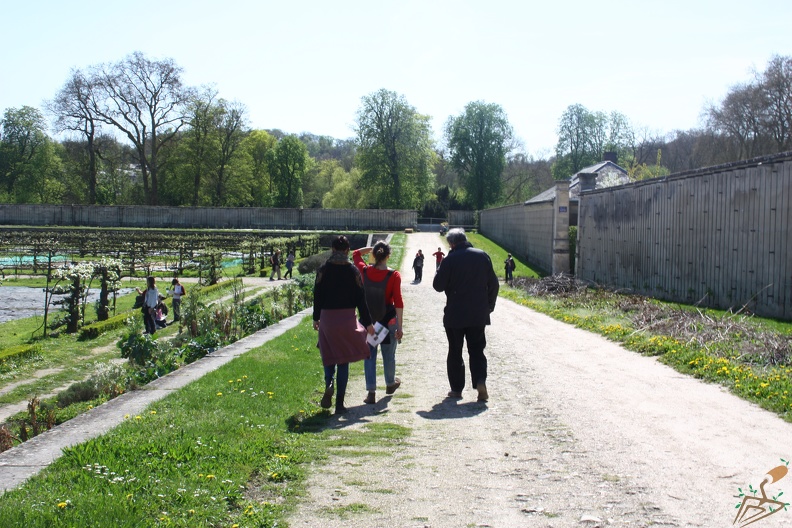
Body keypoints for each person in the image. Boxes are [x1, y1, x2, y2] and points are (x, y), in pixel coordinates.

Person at [433, 228, 499, 402]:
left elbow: (438, 286)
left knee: (455, 351)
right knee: (477, 350)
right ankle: (480, 381)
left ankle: (456, 389)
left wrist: (440, 268)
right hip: (478, 314)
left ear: (452, 244)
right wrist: (489, 306)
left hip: (455, 314)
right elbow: (493, 284)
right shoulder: (482, 256)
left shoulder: (450, 260)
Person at [313, 235, 375, 414]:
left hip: (327, 319)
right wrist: (368, 323)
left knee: (328, 354)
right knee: (343, 360)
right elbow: (361, 300)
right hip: (347, 318)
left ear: (332, 249)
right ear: (347, 250)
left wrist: (316, 318)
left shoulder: (323, 270)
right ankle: (340, 404)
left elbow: (317, 295)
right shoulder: (353, 271)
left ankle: (329, 383)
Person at [353, 241, 405, 404]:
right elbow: (398, 302)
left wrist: (373, 249)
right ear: (388, 256)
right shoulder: (394, 275)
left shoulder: (365, 271)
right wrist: (400, 326)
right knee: (389, 355)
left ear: (374, 255)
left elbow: (355, 254)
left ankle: (371, 392)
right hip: (387, 321)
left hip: (370, 322)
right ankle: (390, 383)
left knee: (370, 356)